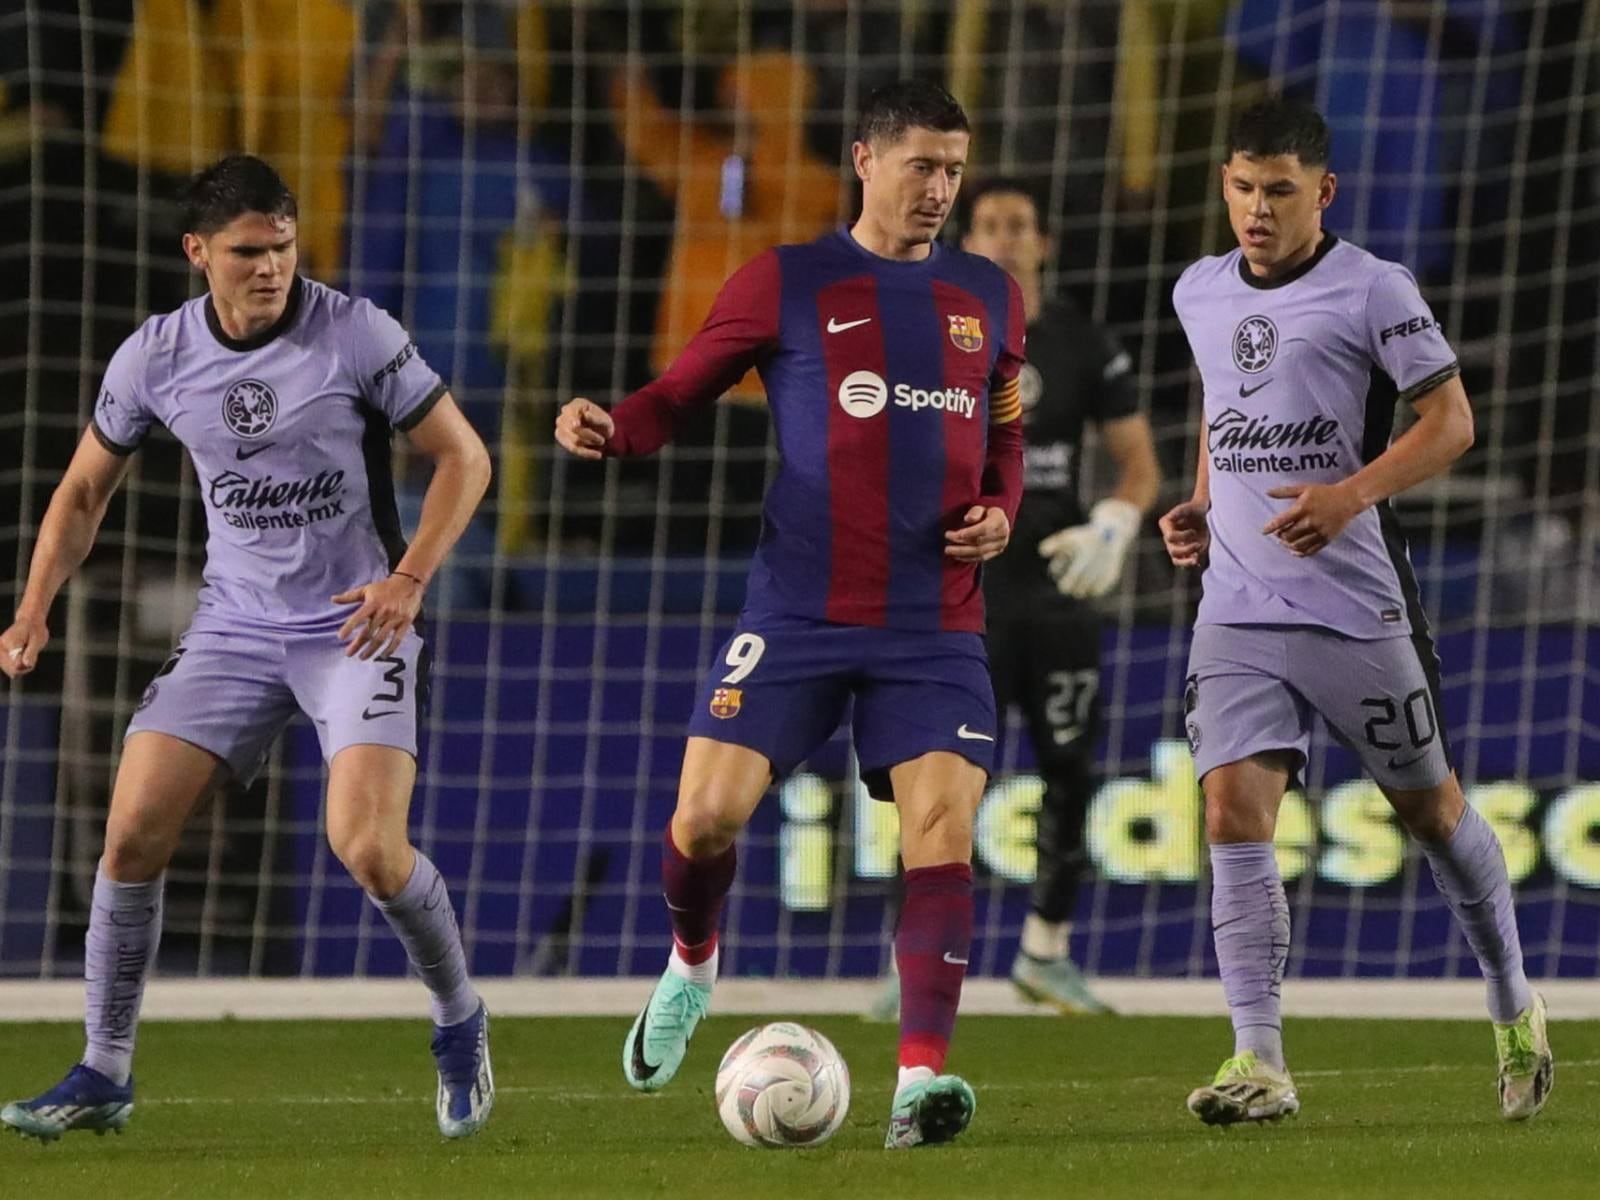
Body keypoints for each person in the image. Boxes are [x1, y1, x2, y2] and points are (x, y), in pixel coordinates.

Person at [555, 80, 1025, 1150]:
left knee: (941, 833)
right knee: (704, 821)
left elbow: (1005, 439)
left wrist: (1000, 513)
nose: (939, 189)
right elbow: (677, 393)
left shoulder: (990, 297)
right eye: (921, 166)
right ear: (864, 160)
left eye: (953, 168)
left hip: (935, 619)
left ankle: (918, 1083)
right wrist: (612, 431)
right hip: (801, 606)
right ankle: (690, 961)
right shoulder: (787, 281)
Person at [0, 155, 496, 1141]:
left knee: (366, 848)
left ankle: (459, 1016)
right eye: (246, 253)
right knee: (132, 830)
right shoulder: (154, 357)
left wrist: (409, 581)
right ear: (199, 254)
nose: (270, 269)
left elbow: (464, 456)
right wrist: (33, 608)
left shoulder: (355, 333)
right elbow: (83, 492)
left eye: (283, 247)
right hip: (232, 626)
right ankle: (104, 1070)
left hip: (354, 624)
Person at [1162, 97, 1553, 1125]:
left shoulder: (1373, 287)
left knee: (1431, 814)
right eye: (1243, 187)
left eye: (1279, 192)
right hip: (1237, 606)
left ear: (1322, 192)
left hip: (1353, 609)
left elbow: (1451, 423)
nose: (1256, 209)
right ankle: (1259, 1060)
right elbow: (1220, 406)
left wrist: (1349, 496)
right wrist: (1201, 502)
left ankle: (1512, 1001)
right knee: (1228, 813)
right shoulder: (1197, 290)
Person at [965, 179, 1161, 1011]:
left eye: (1020, 225)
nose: (1006, 238)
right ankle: (906, 970)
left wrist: (1116, 525)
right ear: (965, 244)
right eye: (989, 226)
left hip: (1056, 591)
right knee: (936, 781)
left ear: (1042, 243)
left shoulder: (1081, 340)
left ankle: (1045, 951)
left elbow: (1140, 462)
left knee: (1070, 775)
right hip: (962, 596)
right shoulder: (938, 338)